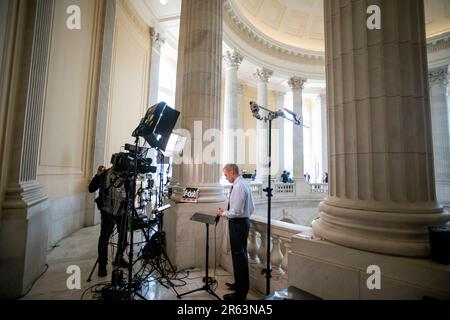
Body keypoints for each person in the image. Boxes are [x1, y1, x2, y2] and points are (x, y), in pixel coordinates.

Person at [216, 164, 255, 301]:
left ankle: (240, 294)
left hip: (238, 225)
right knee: (239, 257)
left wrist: (223, 213)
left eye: (226, 175)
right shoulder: (243, 184)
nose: (225, 178)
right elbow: (251, 208)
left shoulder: (239, 187)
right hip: (242, 223)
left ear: (232, 173)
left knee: (239, 259)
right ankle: (239, 285)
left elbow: (236, 212)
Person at [89, 165, 129, 277]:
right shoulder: (105, 174)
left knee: (123, 237)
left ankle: (119, 259)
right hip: (107, 211)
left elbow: (128, 193)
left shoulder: (126, 176)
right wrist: (97, 176)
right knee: (104, 238)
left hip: (121, 211)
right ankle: (102, 266)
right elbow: (91, 189)